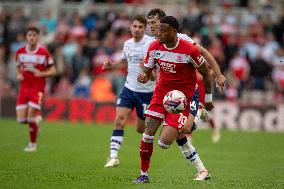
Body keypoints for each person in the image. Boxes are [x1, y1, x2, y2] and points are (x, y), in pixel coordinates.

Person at [133, 16, 214, 183]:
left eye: (163, 30)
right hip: (161, 93)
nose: (159, 33)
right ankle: (144, 174)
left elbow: (206, 73)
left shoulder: (189, 50)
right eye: (158, 30)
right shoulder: (154, 47)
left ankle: (197, 110)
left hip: (184, 97)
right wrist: (144, 77)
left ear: (174, 32)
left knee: (164, 143)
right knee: (148, 132)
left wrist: (208, 98)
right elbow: (149, 73)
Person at [102, 15, 154, 167]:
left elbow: (156, 68)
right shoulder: (128, 44)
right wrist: (112, 66)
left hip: (146, 93)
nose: (137, 29)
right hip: (129, 89)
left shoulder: (151, 44)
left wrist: (148, 73)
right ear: (131, 27)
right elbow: (125, 62)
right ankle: (113, 157)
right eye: (135, 26)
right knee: (119, 120)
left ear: (145, 29)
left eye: (140, 27)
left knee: (140, 129)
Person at [15, 26, 56, 152]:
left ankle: (32, 145)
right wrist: (18, 74)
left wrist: (42, 74)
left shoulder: (44, 53)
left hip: (37, 88)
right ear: (26, 37)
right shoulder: (20, 52)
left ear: (38, 37)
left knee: (31, 114)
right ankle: (36, 121)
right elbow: (18, 66)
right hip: (24, 88)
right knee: (22, 120)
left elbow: (54, 71)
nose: (31, 37)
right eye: (29, 35)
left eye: (34, 35)